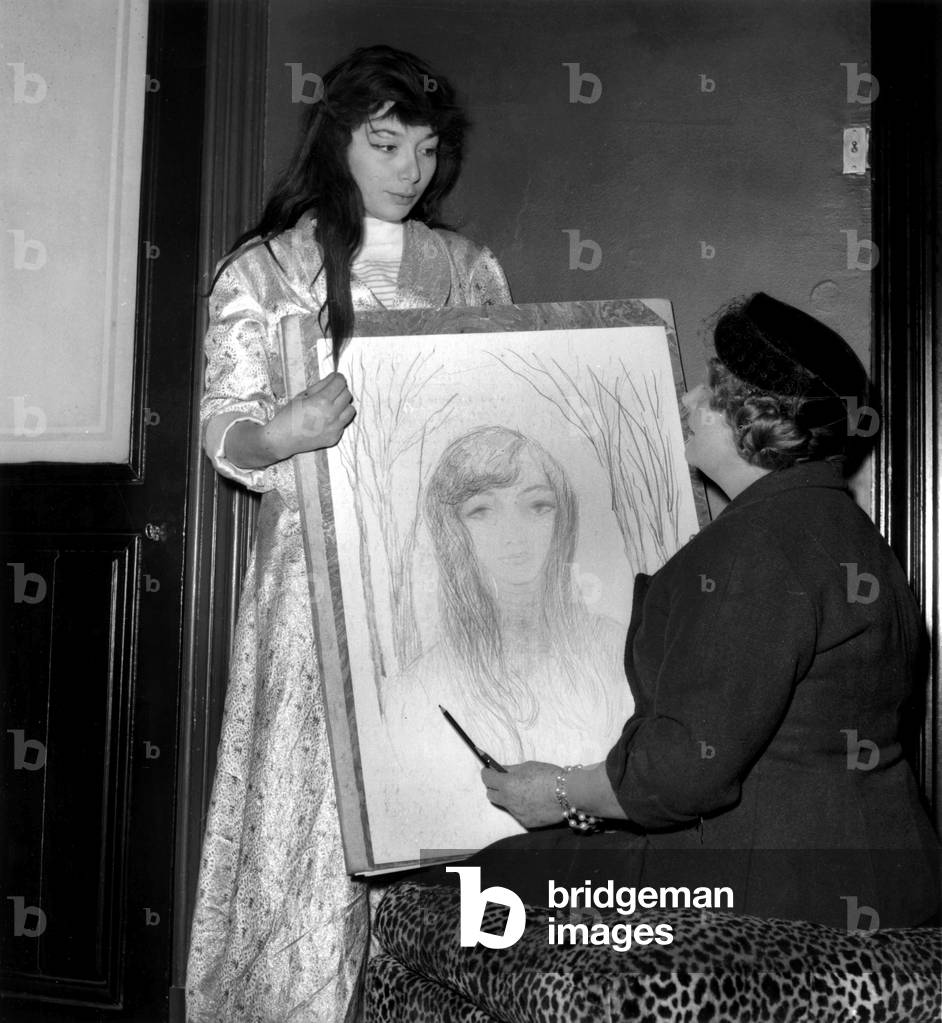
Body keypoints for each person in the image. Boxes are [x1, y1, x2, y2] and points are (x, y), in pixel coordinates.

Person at [186, 45, 511, 1023]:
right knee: (314, 820)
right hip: (316, 581)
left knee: (444, 804)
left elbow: (504, 412)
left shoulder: (468, 269)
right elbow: (222, 422)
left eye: (424, 147)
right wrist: (277, 432)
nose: (410, 168)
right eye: (386, 143)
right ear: (338, 137)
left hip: (441, 584)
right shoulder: (271, 267)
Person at [478, 293, 941, 928]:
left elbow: (683, 773)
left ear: (757, 416)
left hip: (775, 912)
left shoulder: (759, 547)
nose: (690, 400)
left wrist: (558, 792)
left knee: (478, 886)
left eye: (710, 389)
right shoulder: (852, 537)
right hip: (885, 882)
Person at [373, 427, 631, 861]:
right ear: (452, 530)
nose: (514, 535)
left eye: (537, 506)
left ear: (562, 517)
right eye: (482, 511)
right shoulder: (417, 690)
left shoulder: (617, 650)